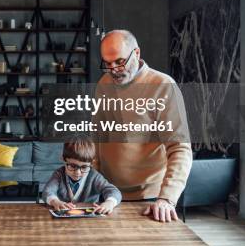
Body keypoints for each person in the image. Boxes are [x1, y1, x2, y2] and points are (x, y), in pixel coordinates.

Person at [95, 29, 192, 222]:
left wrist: (167, 198)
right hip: (108, 193)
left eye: (120, 62)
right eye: (107, 64)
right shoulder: (104, 83)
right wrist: (91, 180)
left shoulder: (163, 86)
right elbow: (97, 136)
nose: (113, 69)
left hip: (149, 198)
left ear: (136, 53)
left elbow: (180, 147)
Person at [42, 134, 122, 215]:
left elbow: (113, 191)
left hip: (91, 221)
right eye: (72, 166)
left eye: (84, 167)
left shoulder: (94, 176)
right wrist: (55, 201)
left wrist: (109, 203)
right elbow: (47, 191)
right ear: (63, 159)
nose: (78, 172)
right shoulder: (59, 174)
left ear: (91, 163)